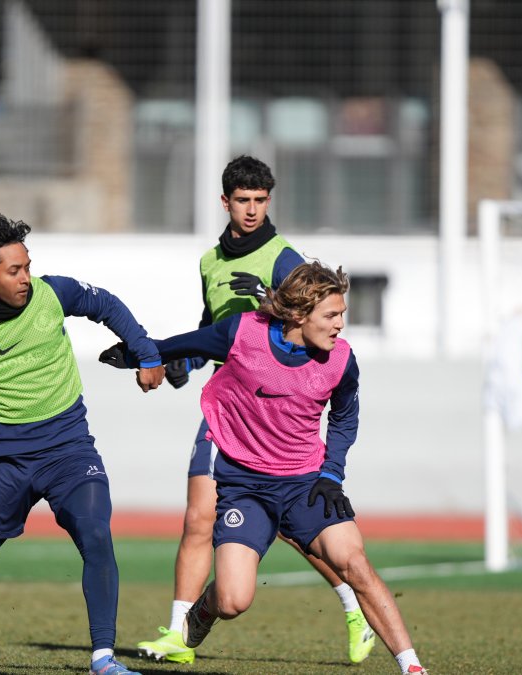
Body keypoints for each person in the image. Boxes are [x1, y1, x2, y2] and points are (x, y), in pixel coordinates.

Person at [101, 261, 428, 675]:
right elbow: (183, 344)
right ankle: (201, 612)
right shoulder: (242, 332)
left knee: (356, 564)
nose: (341, 324)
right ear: (299, 315)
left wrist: (332, 473)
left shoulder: (342, 360)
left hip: (306, 483)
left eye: (342, 314)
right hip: (245, 486)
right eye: (331, 315)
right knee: (234, 601)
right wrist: (139, 354)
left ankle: (412, 666)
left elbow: (345, 418)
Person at [134, 155, 374, 665]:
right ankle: (178, 635)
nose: (251, 209)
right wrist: (182, 361)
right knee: (199, 518)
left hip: (277, 416)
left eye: (260, 201)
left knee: (290, 526)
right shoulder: (209, 262)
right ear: (225, 202)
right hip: (229, 406)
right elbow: (213, 327)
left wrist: (267, 302)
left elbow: (305, 328)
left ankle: (354, 607)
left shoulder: (285, 259)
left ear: (269, 201)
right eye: (242, 200)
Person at [0, 213, 164, 675]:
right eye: (14, 271)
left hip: (69, 450)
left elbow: (106, 304)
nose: (25, 278)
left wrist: (145, 351)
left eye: (27, 266)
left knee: (96, 533)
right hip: (3, 464)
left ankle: (103, 657)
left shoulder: (52, 293)